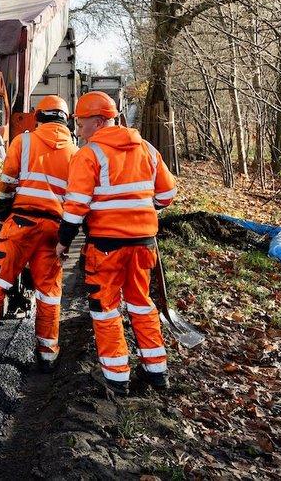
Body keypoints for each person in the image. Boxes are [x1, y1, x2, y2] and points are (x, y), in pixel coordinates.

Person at [55, 91, 178, 397]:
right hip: (143, 243)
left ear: (98, 122)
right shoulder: (147, 149)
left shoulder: (89, 154)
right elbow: (166, 196)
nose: (78, 130)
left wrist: (63, 242)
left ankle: (116, 378)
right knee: (141, 303)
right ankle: (157, 372)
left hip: (107, 246)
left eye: (81, 124)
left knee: (105, 308)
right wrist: (139, 212)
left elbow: (76, 207)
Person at [0, 95, 78, 369]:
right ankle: (47, 355)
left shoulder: (23, 141)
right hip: (53, 229)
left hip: (21, 224)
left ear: (38, 117)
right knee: (49, 293)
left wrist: (4, 208)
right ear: (65, 119)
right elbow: (76, 198)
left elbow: (7, 182)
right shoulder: (75, 153)